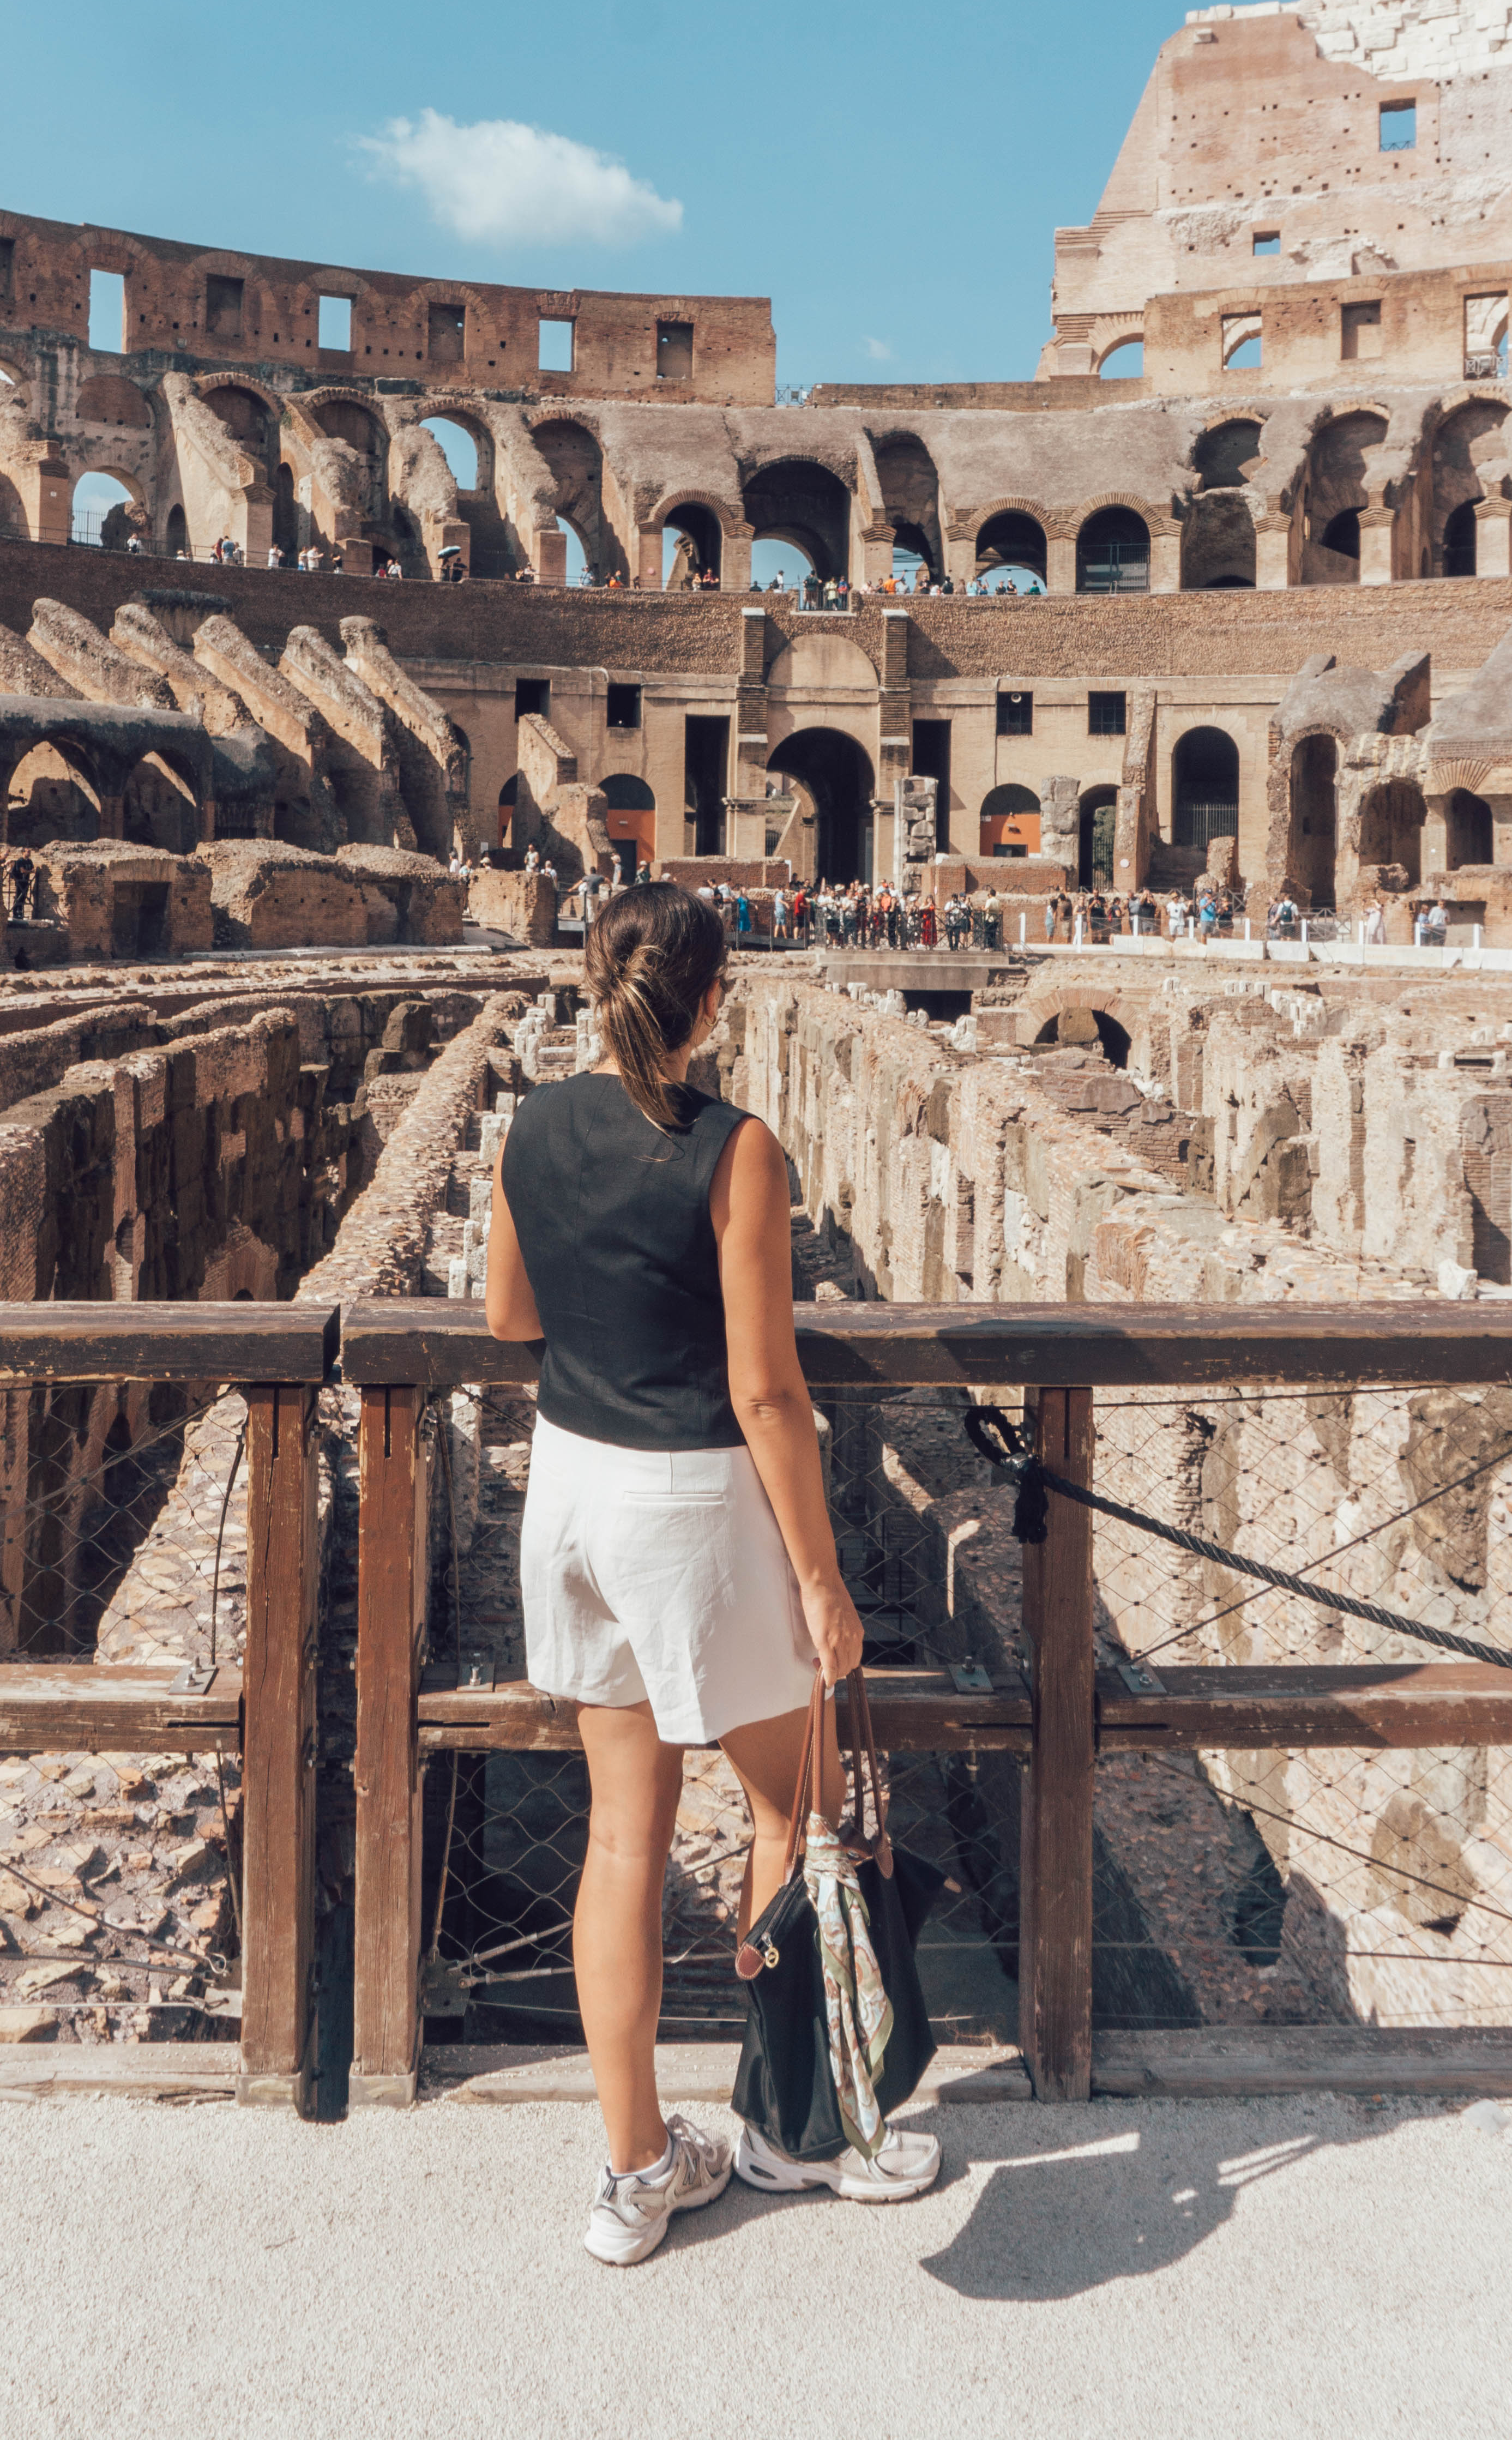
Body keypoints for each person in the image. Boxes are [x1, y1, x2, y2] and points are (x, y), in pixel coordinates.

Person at [484, 879, 941, 2263]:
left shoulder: (533, 1126)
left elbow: (506, 1314)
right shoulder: (737, 1151)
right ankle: (791, 2133)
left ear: (588, 983)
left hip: (565, 1494)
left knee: (620, 1838)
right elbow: (768, 1392)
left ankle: (632, 2173)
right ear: (708, 1000)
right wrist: (819, 1575)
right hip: (685, 1506)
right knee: (795, 1818)